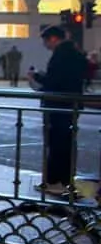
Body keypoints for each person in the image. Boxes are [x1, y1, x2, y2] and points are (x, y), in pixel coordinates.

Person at [28, 26, 87, 195]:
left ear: (53, 38)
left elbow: (54, 81)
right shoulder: (75, 53)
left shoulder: (61, 54)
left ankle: (55, 181)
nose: (45, 45)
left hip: (58, 105)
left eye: (45, 41)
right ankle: (65, 180)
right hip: (70, 104)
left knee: (56, 144)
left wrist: (36, 76)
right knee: (66, 144)